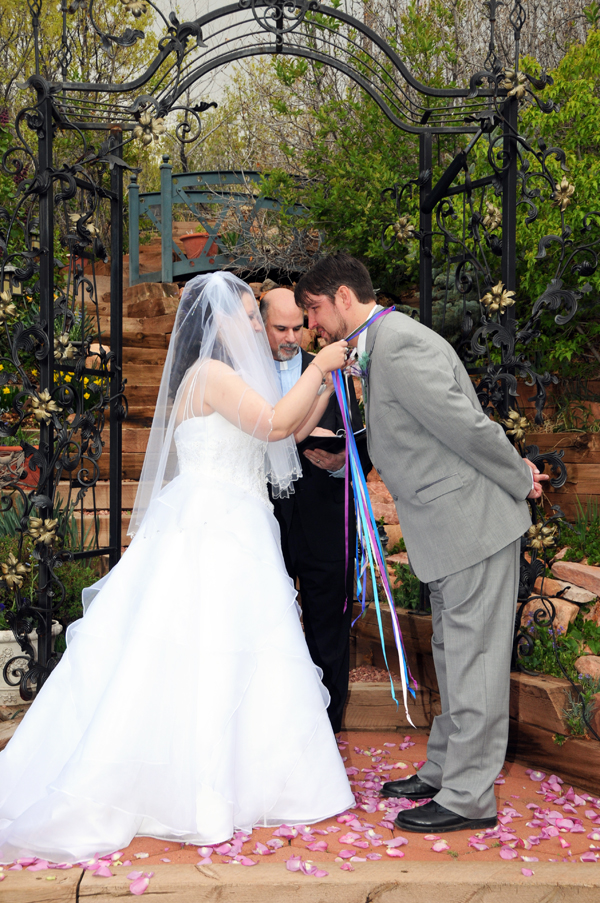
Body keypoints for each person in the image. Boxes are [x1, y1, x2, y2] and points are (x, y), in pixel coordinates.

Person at [0, 272, 354, 865]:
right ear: (216, 323)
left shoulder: (230, 378)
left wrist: (326, 380)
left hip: (237, 525)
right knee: (204, 652)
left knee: (240, 654)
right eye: (245, 316)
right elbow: (270, 423)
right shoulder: (211, 376)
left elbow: (286, 429)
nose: (252, 326)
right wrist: (320, 369)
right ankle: (192, 786)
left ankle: (241, 781)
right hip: (213, 530)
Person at [294, 252, 548, 834]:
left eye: (314, 310)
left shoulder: (400, 345)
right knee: (453, 657)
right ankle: (444, 771)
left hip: (472, 525)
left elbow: (467, 427)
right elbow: (408, 427)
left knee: (475, 662)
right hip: (447, 528)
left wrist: (518, 476)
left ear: (341, 297)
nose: (314, 326)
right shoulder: (376, 348)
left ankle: (468, 798)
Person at [259, 286, 367, 734]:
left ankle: (327, 731)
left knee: (329, 630)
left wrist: (347, 461)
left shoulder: (335, 371)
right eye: (280, 328)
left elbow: (365, 434)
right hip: (261, 526)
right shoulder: (242, 377)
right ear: (260, 326)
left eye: (298, 328)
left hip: (327, 520)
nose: (291, 337)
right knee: (265, 628)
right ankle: (271, 729)